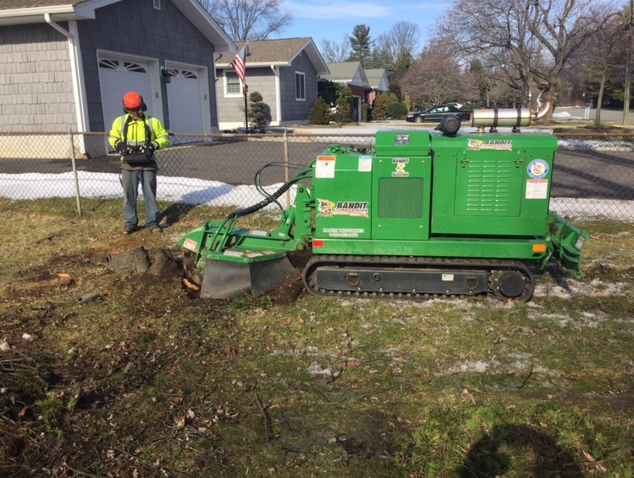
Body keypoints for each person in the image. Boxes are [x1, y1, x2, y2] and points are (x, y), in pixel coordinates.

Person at [109, 92, 170, 235]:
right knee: (129, 196)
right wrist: (119, 145)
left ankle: (152, 223)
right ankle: (130, 223)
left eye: (138, 109)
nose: (135, 113)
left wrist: (153, 145)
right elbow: (112, 137)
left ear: (142, 106)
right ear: (126, 109)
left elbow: (164, 137)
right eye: (132, 110)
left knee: (150, 195)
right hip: (128, 165)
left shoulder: (152, 122)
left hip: (148, 164)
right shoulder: (120, 122)